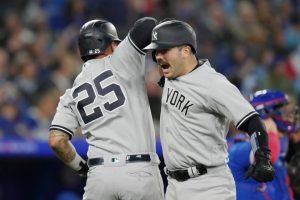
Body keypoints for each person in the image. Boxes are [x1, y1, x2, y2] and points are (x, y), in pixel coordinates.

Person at [143, 19, 274, 200]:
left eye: (164, 50)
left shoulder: (213, 83)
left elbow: (252, 120)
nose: (158, 56)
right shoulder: (171, 75)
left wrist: (263, 156)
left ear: (186, 51)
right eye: (156, 51)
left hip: (208, 186)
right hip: (173, 186)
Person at [48, 17, 164, 200]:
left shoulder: (71, 93)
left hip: (99, 177)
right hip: (138, 171)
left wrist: (81, 167)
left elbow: (56, 141)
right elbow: (147, 24)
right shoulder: (122, 59)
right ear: (110, 45)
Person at [229, 89, 296, 200]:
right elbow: (268, 157)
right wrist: (269, 131)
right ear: (267, 115)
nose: (286, 118)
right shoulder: (240, 148)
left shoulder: (280, 155)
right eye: (281, 112)